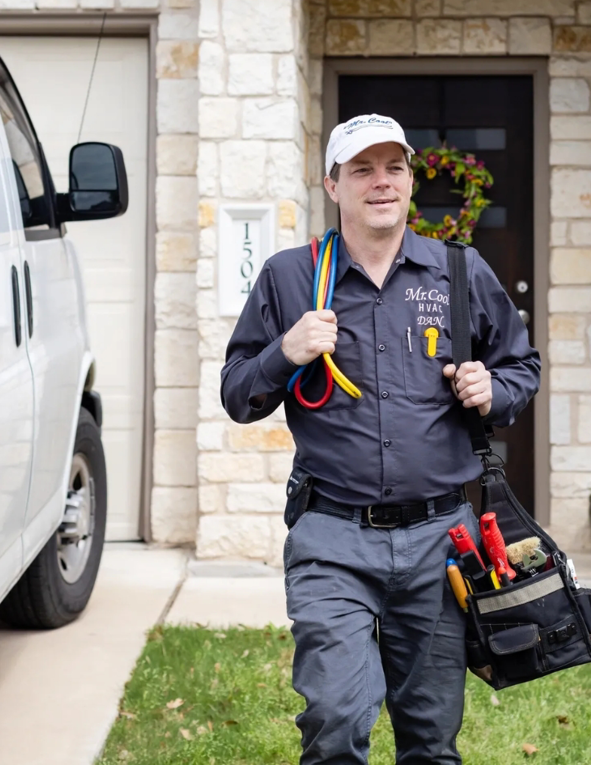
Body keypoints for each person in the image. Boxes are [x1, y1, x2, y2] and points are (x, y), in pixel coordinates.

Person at [220, 114, 541, 764]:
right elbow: (238, 395)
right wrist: (286, 351)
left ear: (410, 181)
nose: (381, 182)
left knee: (430, 734)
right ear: (332, 185)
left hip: (439, 540)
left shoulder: (458, 270)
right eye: (361, 169)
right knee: (334, 718)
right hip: (332, 531)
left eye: (393, 167)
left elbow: (520, 368)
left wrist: (493, 390)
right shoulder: (289, 278)